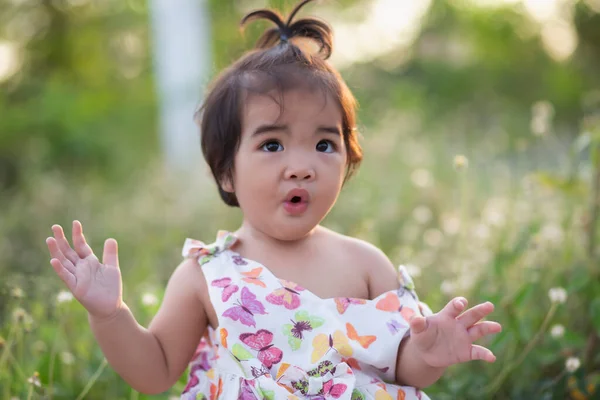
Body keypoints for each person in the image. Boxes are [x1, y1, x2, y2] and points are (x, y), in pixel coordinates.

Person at [45, 0, 502, 398]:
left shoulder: (365, 265)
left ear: (348, 160)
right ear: (226, 170)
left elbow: (402, 367)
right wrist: (110, 315)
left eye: (324, 145)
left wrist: (428, 352)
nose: (302, 165)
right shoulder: (206, 276)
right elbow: (155, 370)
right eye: (272, 145)